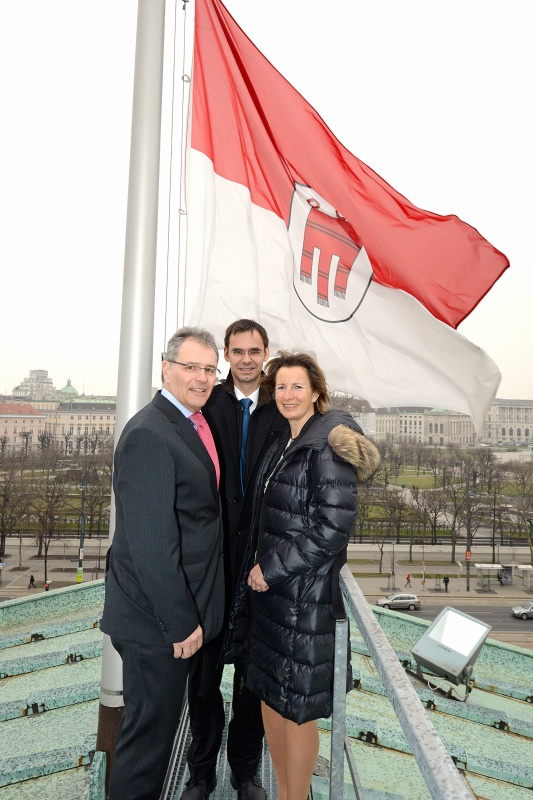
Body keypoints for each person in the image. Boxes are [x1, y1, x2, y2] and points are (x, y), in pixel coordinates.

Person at [226, 351, 380, 800]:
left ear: (316, 392)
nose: (287, 395)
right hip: (272, 599)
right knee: (271, 701)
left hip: (302, 600)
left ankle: (296, 797)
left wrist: (269, 568)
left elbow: (332, 531)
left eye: (297, 386)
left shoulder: (328, 447)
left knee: (298, 712)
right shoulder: (283, 443)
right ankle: (284, 793)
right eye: (281, 387)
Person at [100, 327, 225, 800]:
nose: (201, 377)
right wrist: (180, 624)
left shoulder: (189, 421)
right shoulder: (151, 434)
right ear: (165, 368)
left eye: (210, 369)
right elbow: (152, 546)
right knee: (146, 751)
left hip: (170, 619)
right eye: (190, 367)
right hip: (157, 626)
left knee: (154, 739)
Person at [183, 320, 289, 800]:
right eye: (238, 350)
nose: (246, 359)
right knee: (203, 681)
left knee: (251, 681)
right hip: (213, 563)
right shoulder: (208, 402)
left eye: (255, 350)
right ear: (226, 353)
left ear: (266, 353)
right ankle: (200, 773)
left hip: (258, 566)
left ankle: (244, 771)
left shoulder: (282, 406)